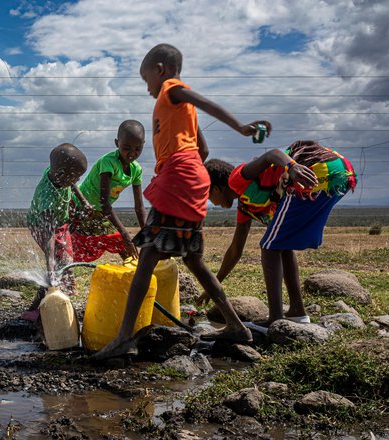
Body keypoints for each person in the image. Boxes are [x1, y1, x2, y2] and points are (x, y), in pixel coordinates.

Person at [94, 43, 270, 359]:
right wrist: (187, 169)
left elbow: (202, 101)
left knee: (147, 258)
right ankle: (235, 325)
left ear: (160, 70)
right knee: (192, 259)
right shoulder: (181, 115)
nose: (147, 87)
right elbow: (201, 150)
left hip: (178, 180)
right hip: (192, 180)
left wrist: (241, 127)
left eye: (146, 78)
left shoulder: (172, 91)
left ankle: (123, 337)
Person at [203, 140, 356, 325]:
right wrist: (214, 284)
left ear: (217, 188)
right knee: (280, 244)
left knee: (269, 246)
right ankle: (297, 312)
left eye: (207, 194)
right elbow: (235, 250)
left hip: (317, 169)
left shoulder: (237, 179)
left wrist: (292, 166)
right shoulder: (247, 206)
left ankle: (275, 318)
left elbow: (271, 155)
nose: (209, 201)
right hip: (340, 173)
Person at [71, 120, 146, 262]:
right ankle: (59, 272)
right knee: (76, 245)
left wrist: (147, 232)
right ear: (117, 143)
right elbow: (104, 202)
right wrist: (124, 233)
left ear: (143, 145)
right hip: (80, 205)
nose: (132, 153)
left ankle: (132, 275)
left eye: (137, 149)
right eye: (127, 148)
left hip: (99, 211)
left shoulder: (136, 170)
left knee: (122, 243)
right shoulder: (109, 162)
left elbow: (139, 206)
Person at [27, 143, 91, 297]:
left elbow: (72, 183)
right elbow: (49, 236)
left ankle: (68, 288)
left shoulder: (56, 173)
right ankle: (50, 290)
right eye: (76, 176)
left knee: (67, 258)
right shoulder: (47, 196)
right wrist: (49, 268)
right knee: (57, 259)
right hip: (40, 225)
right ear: (62, 175)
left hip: (61, 222)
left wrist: (84, 201)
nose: (78, 179)